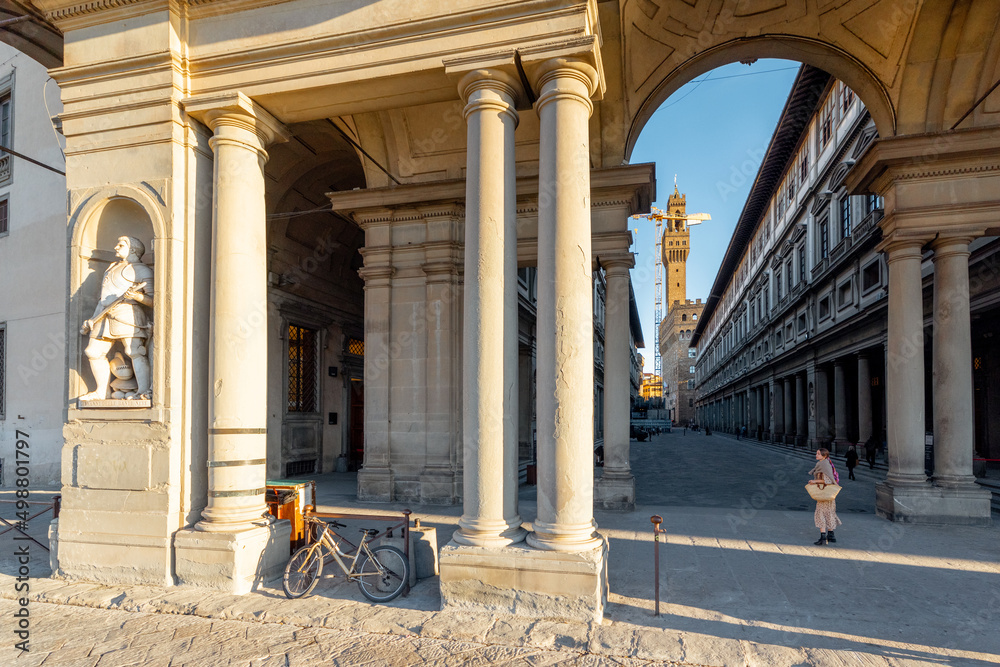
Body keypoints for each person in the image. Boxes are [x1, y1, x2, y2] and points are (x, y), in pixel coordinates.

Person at [80, 236, 154, 400]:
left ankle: (143, 391)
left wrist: (136, 296)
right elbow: (103, 298)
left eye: (121, 244)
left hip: (127, 312)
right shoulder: (111, 267)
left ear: (133, 249)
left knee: (134, 351)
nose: (115, 247)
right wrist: (93, 318)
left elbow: (153, 300)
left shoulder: (142, 270)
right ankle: (102, 391)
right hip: (103, 314)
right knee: (93, 351)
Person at [807, 448, 842, 545]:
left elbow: (828, 480)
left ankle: (823, 537)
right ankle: (831, 535)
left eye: (818, 454)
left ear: (824, 456)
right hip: (829, 495)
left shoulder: (824, 465)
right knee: (829, 513)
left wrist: (815, 481)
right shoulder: (824, 463)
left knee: (820, 514)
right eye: (816, 453)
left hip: (824, 494)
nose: (816, 455)